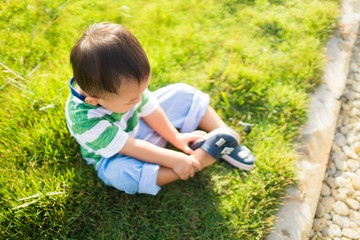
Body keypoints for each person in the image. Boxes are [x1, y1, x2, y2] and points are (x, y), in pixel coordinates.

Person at [65, 22, 256, 195]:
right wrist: (174, 159)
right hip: (118, 153)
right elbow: (130, 146)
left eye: (142, 90)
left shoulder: (123, 90)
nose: (140, 99)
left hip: (140, 128)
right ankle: (199, 160)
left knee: (182, 93)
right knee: (119, 175)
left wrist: (175, 137)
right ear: (94, 100)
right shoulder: (84, 120)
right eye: (133, 98)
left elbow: (150, 108)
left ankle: (225, 135)